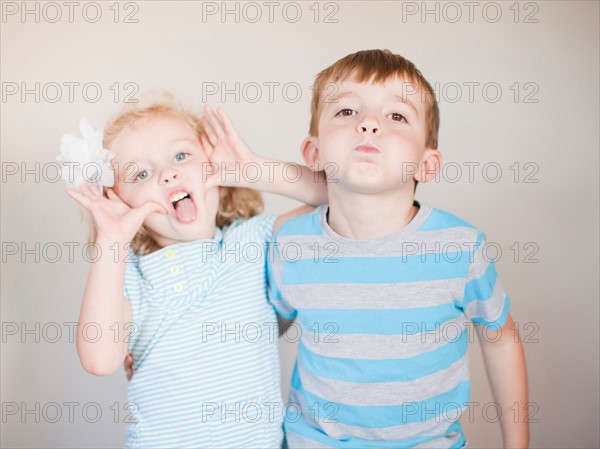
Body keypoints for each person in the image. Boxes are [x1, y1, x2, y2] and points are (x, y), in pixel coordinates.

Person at [267, 49, 529, 448]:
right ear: (314, 153)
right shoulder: (291, 244)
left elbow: (500, 337)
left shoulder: (458, 248)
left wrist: (518, 444)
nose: (369, 124)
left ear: (427, 164)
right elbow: (258, 334)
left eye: (396, 116)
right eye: (346, 112)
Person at [65, 95, 326, 448]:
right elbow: (99, 359)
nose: (168, 173)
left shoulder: (254, 243)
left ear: (216, 170)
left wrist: (252, 169)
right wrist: (111, 241)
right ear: (120, 203)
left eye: (181, 156)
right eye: (141, 173)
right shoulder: (129, 278)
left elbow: (341, 199)